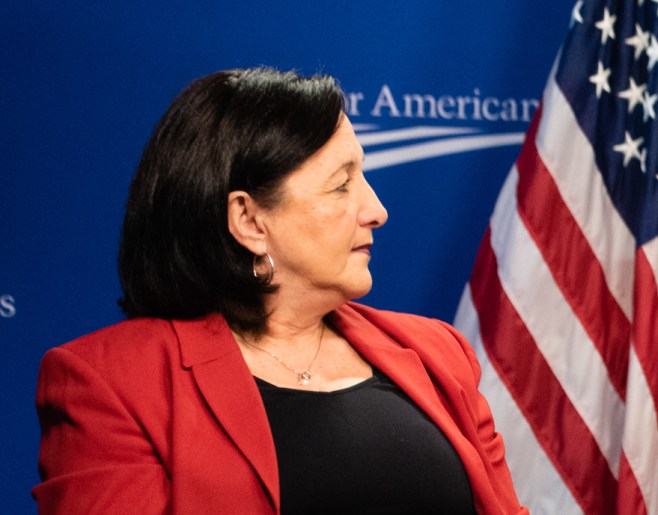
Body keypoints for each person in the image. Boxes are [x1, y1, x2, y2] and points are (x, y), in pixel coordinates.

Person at [33, 67, 528, 514]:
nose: (377, 210)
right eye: (342, 184)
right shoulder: (113, 382)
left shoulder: (439, 352)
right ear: (249, 221)